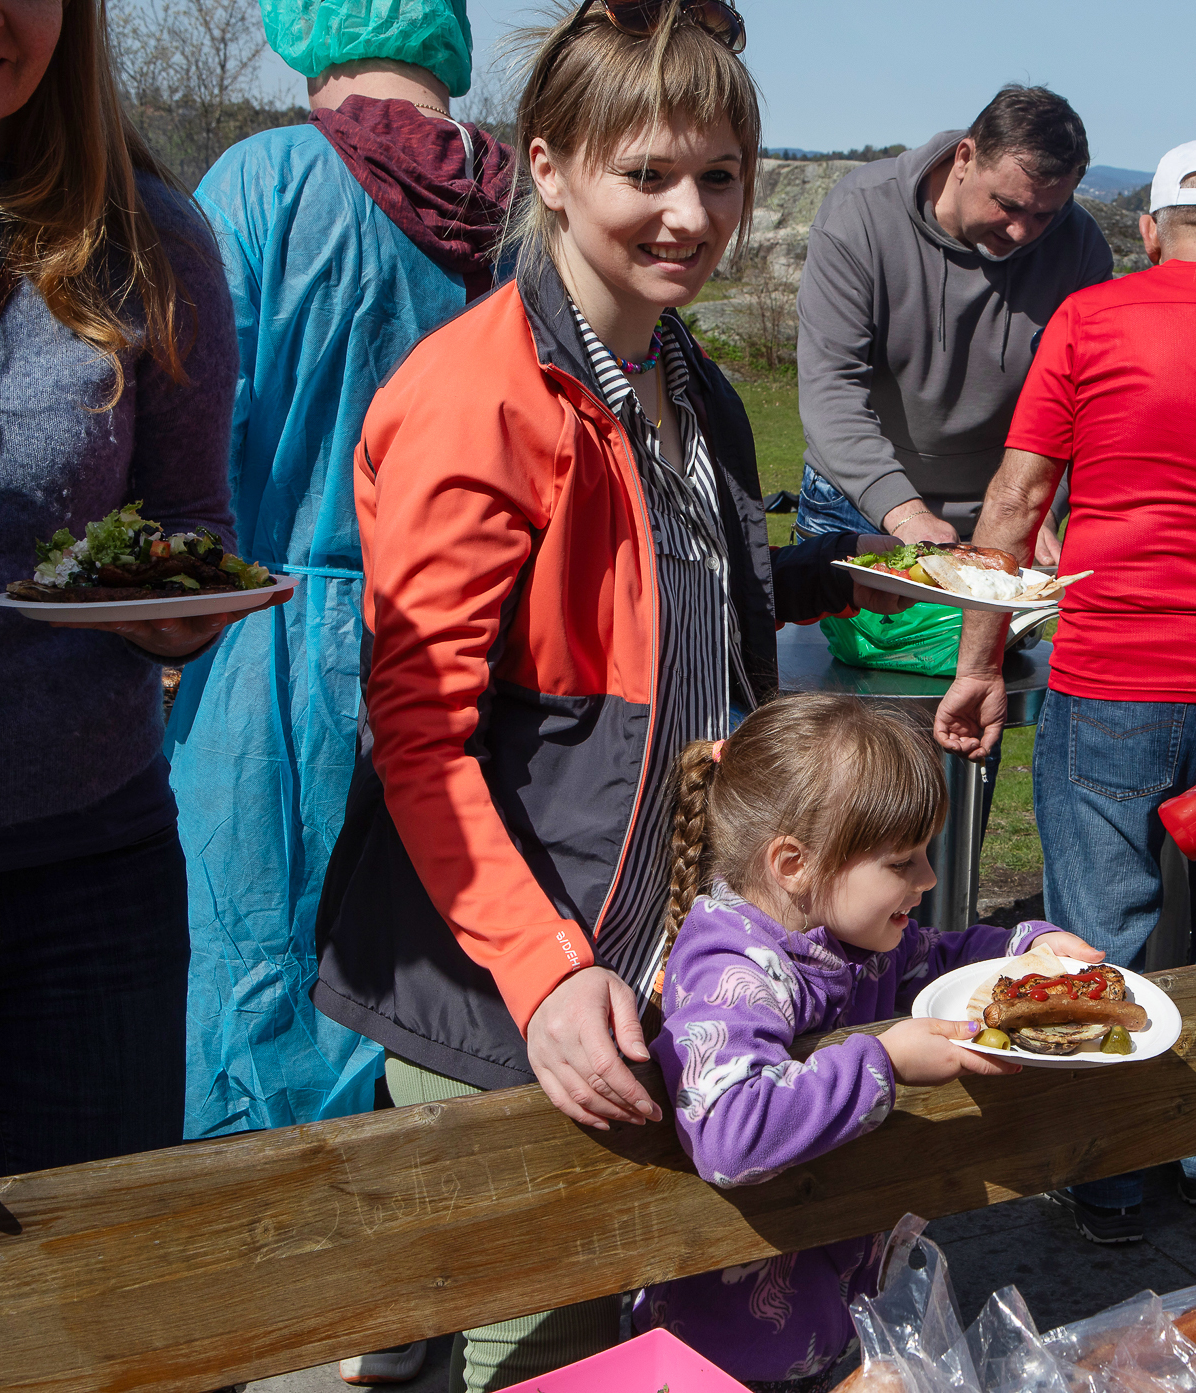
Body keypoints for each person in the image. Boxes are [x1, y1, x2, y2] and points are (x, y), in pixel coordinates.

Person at [310, 3, 893, 1385]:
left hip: (649, 958)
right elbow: (423, 731)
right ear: (550, 166)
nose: (689, 214)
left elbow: (685, 617)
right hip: (502, 981)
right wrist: (546, 977)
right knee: (514, 1336)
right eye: (647, 175)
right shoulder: (483, 397)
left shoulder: (698, 385)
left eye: (720, 176)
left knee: (612, 1339)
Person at [932, 138, 1196, 1243]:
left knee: (1100, 931)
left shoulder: (1090, 319)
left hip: (1109, 671)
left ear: (1148, 227)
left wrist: (979, 662)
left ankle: (1105, 1176)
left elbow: (1014, 498)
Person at [167, 0, 514, 1150]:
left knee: (251, 958)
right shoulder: (521, 207)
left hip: (266, 638)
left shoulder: (261, 182)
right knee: (423, 977)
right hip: (475, 640)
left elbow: (195, 440)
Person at [0, 0, 246, 1221]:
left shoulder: (148, 237)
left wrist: (174, 606)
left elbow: (191, 526)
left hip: (88, 878)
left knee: (95, 1299)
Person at [632, 694, 1099, 1391]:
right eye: (901, 860)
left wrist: (1023, 948)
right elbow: (728, 1132)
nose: (928, 879)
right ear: (792, 863)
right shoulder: (731, 972)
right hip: (722, 1353)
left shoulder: (858, 940)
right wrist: (883, 1061)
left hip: (825, 1320)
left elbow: (937, 959)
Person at [793, 84, 1111, 551]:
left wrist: (1043, 506)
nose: (1021, 231)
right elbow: (830, 386)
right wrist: (903, 510)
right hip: (854, 500)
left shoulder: (1080, 249)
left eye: (1045, 215)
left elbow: (1083, 407)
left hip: (999, 510)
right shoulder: (859, 213)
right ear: (965, 158)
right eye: (1007, 204)